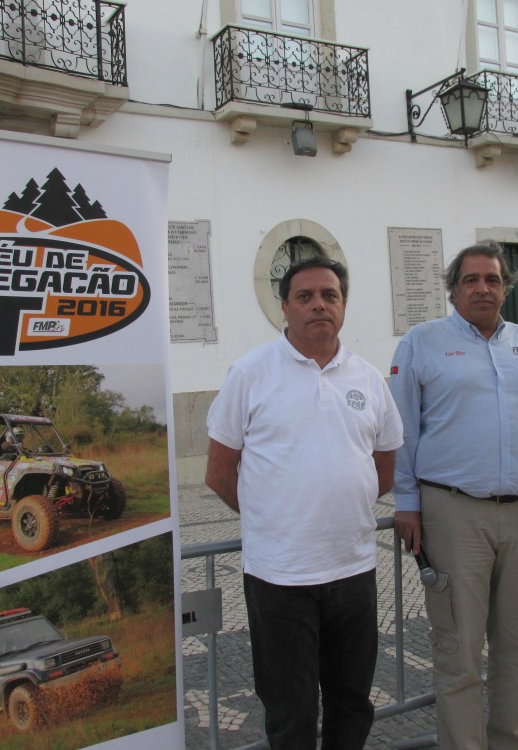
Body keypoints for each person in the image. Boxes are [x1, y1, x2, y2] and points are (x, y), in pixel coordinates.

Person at [205, 257, 404, 749]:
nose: (319, 305)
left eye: (329, 295)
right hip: (280, 577)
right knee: (290, 711)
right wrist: (274, 515)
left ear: (343, 305)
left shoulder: (368, 379)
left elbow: (383, 469)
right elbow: (219, 473)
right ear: (285, 308)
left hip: (353, 571)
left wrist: (337, 504)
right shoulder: (250, 373)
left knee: (351, 702)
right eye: (305, 296)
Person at [390, 243, 518, 750]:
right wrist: (407, 501)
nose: (483, 288)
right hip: (455, 512)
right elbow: (401, 429)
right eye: (471, 280)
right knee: (458, 651)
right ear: (453, 290)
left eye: (492, 280)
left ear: (505, 288)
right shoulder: (422, 342)